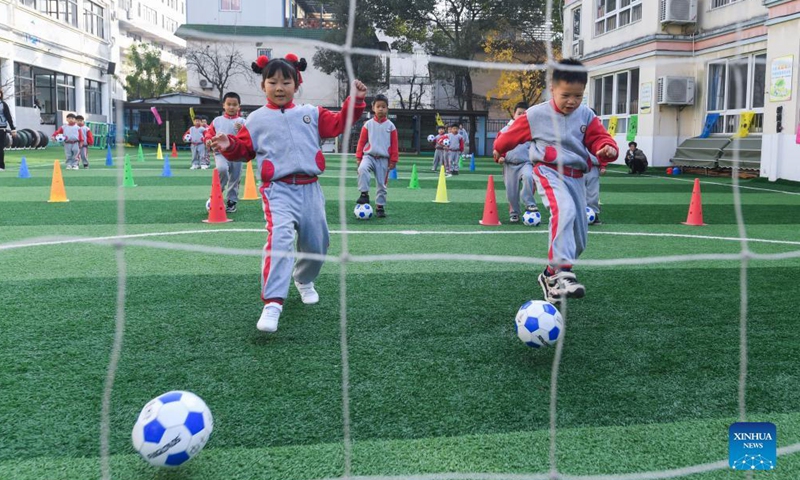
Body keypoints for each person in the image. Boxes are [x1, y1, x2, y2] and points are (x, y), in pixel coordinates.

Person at [211, 53, 367, 333]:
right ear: (263, 86)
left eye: (286, 81)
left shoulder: (310, 113)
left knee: (317, 242)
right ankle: (273, 303)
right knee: (280, 238)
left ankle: (304, 280)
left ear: (297, 84)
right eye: (272, 82)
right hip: (278, 190)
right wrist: (228, 144)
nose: (279, 87)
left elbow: (338, 123)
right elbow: (244, 150)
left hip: (310, 189)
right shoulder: (255, 120)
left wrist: (354, 100)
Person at [493, 58, 618, 304]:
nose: (572, 101)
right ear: (552, 89)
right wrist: (500, 148)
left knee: (579, 240)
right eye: (566, 95)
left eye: (578, 96)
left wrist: (607, 149)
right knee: (564, 209)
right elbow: (508, 137)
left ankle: (549, 275)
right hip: (548, 170)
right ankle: (561, 274)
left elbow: (600, 138)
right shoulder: (536, 115)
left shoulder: (586, 115)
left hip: (576, 178)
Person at [355, 94, 398, 218]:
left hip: (383, 159)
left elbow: (394, 145)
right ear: (373, 108)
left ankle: (380, 206)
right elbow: (361, 142)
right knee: (362, 169)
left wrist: (393, 160)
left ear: (387, 109)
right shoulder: (368, 124)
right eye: (378, 106)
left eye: (383, 107)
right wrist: (359, 156)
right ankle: (364, 194)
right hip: (369, 156)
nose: (381, 109)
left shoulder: (391, 126)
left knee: (381, 184)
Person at [495, 102, 539, 223]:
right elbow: (499, 146)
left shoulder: (531, 132)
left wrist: (536, 160)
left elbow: (536, 147)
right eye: (519, 113)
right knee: (511, 192)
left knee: (529, 177)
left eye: (524, 114)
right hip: (509, 165)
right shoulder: (505, 130)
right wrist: (500, 157)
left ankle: (529, 202)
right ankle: (514, 212)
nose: (521, 116)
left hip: (526, 163)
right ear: (514, 114)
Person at [205, 93, 246, 213]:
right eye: (229, 104)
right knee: (222, 169)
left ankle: (231, 201)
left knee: (235, 177)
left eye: (234, 105)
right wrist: (208, 140)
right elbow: (209, 133)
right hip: (221, 153)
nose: (231, 107)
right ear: (223, 105)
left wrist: (242, 130)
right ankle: (216, 194)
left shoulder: (242, 121)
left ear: (239, 107)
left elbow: (248, 137)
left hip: (238, 154)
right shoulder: (217, 121)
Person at [0, 90, 17, 172]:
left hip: (1, 129)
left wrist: (13, 129)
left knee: (0, 148)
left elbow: (9, 117)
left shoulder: (3, 105)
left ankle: (1, 166)